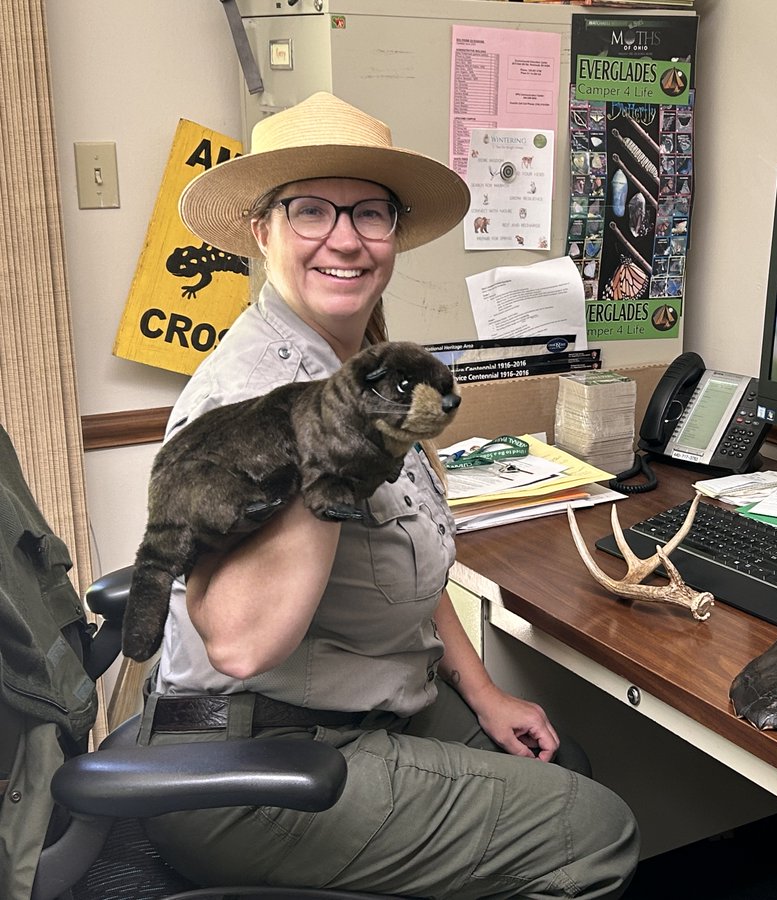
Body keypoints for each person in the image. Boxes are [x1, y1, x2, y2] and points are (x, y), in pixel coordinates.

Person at [139, 91, 639, 898]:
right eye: (311, 212)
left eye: (370, 214)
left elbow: (400, 554)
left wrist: (482, 692)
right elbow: (236, 643)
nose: (345, 239)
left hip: (357, 706)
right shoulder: (254, 393)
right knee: (596, 832)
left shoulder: (358, 360)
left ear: (396, 237)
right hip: (252, 765)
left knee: (560, 760)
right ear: (262, 232)